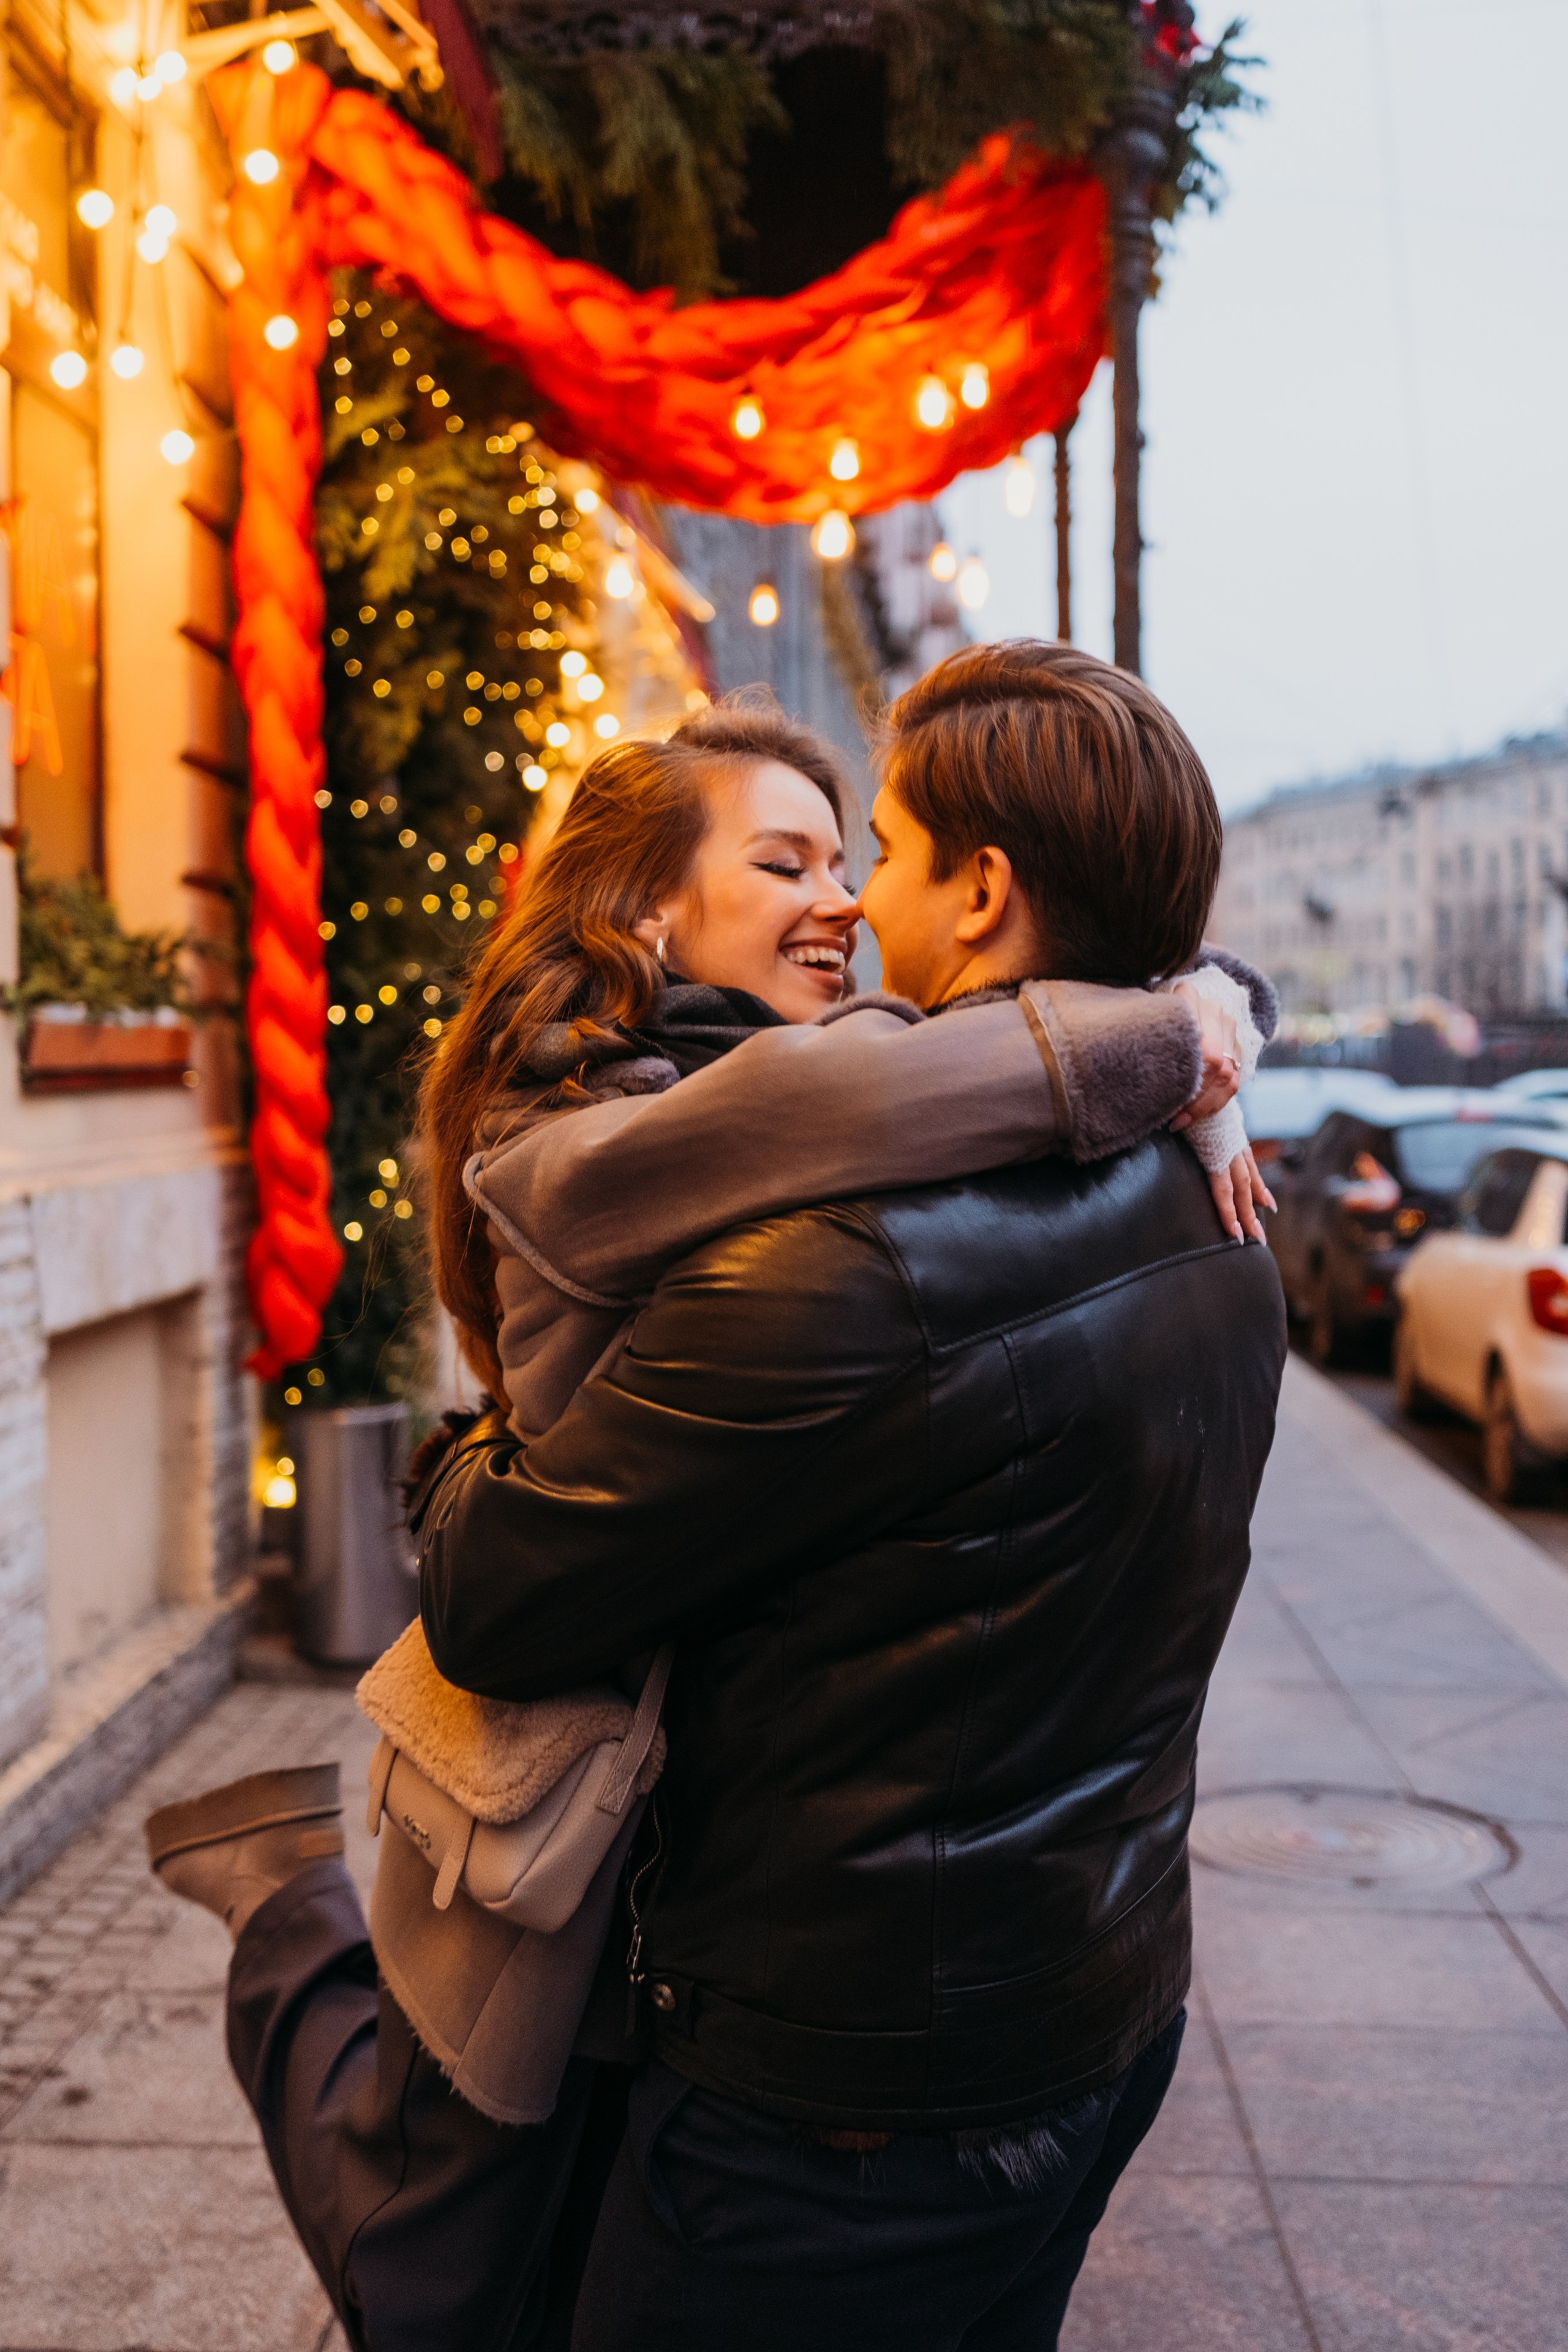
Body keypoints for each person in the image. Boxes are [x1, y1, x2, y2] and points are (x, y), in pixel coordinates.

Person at [143, 682, 1269, 2352]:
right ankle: (293, 1910)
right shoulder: (1203, 1194)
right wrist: (1210, 1022)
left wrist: (457, 1462)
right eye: (798, 859)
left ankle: (288, 1908)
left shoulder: (858, 1239)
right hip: (1065, 1995)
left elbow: (501, 1586)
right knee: (446, 2231)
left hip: (841, 2078)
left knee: (454, 2270)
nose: (850, 900)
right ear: (647, 912)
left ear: (979, 893)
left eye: (872, 850)